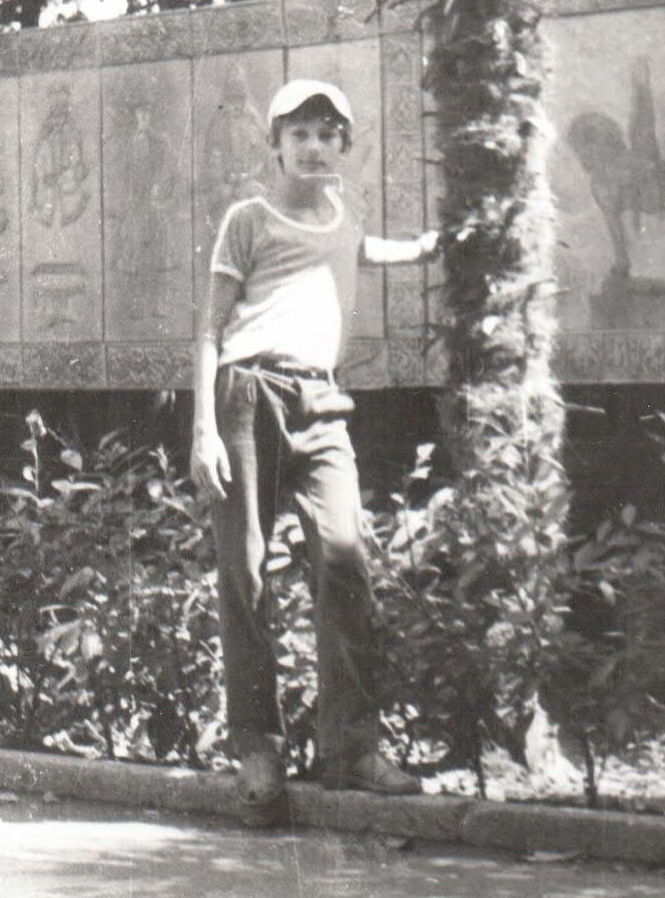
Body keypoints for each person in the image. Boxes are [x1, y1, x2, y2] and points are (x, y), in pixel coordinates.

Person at [190, 78, 437, 816]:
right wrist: (204, 428)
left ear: (342, 147)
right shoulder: (247, 219)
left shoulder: (340, 216)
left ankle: (352, 750)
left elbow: (361, 249)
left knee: (343, 560)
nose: (313, 146)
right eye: (298, 133)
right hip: (246, 396)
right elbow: (209, 331)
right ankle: (258, 749)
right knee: (246, 574)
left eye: (327, 134)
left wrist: (428, 248)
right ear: (275, 145)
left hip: (322, 401)